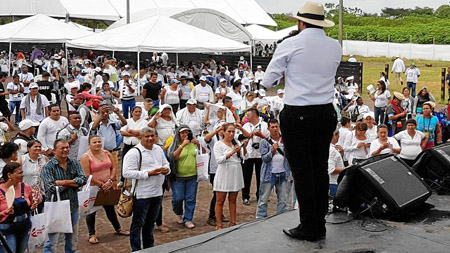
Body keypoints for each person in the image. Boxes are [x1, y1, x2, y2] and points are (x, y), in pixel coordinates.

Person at [262, 2, 341, 241]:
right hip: (326, 112)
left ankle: (309, 226)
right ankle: (319, 222)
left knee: (303, 171)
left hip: (298, 113)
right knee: (319, 169)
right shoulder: (335, 45)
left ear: (301, 22)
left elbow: (267, 81)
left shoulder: (291, 43)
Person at [123, 127, 170, 251]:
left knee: (150, 223)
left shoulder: (158, 149)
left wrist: (166, 170)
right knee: (138, 223)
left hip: (157, 192)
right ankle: (136, 249)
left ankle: (149, 248)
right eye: (147, 136)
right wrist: (148, 173)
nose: (150, 138)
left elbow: (166, 163)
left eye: (152, 136)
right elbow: (126, 173)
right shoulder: (134, 152)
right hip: (142, 194)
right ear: (141, 137)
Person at [80, 135, 128, 245]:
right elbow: (87, 175)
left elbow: (114, 167)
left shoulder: (106, 153)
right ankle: (91, 234)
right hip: (93, 187)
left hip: (108, 184)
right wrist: (101, 184)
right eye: (94, 142)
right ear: (89, 144)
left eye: (99, 142)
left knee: (110, 208)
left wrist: (110, 180)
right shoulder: (86, 157)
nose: (97, 144)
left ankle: (118, 228)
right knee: (91, 211)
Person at [41, 139, 87, 253]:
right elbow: (51, 187)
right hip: (55, 207)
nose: (66, 150)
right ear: (55, 150)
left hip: (73, 205)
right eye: (62, 148)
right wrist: (73, 183)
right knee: (52, 241)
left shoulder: (74, 162)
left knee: (72, 239)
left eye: (67, 147)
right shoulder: (48, 167)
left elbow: (83, 180)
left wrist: (63, 182)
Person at [167, 125, 201, 229]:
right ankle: (178, 212)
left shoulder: (193, 144)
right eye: (183, 133)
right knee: (178, 198)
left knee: (190, 198)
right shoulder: (175, 144)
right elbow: (173, 157)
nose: (185, 135)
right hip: (178, 176)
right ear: (178, 134)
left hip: (192, 175)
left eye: (187, 132)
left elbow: (202, 154)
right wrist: (182, 146)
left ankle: (188, 218)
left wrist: (198, 145)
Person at [213, 123, 245, 229]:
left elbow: (245, 157)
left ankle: (233, 222)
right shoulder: (218, 144)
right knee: (220, 200)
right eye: (229, 131)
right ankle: (218, 223)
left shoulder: (236, 143)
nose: (231, 134)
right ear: (224, 132)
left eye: (233, 132)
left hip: (235, 171)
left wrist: (242, 149)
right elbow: (219, 160)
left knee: (233, 199)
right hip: (224, 172)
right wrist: (231, 153)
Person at [0, 162, 37, 253]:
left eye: (22, 172)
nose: (22, 175)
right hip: (7, 229)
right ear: (9, 175)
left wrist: (33, 205)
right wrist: (5, 212)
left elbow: (31, 203)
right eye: (19, 173)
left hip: (24, 227)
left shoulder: (25, 187)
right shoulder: (1, 191)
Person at [256, 119, 290, 219]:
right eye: (273, 127)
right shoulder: (264, 142)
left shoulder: (285, 140)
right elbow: (265, 159)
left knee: (283, 199)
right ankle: (260, 219)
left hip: (283, 173)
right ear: (268, 129)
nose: (275, 129)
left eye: (276, 126)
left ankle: (280, 218)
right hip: (268, 174)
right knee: (264, 199)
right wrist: (272, 151)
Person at [90, 103, 127, 180]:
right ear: (98, 113)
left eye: (107, 112)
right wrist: (100, 116)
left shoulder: (113, 123)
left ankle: (114, 190)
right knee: (102, 174)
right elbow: (93, 128)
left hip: (112, 152)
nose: (105, 114)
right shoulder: (95, 124)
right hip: (100, 153)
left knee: (114, 175)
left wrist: (118, 113)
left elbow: (124, 123)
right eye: (103, 112)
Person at [241, 108, 268, 205]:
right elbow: (241, 138)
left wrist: (260, 135)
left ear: (254, 116)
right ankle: (245, 196)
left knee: (261, 177)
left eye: (248, 115)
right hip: (248, 154)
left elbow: (268, 139)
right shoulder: (245, 126)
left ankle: (260, 195)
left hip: (260, 155)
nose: (246, 117)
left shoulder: (265, 125)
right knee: (246, 177)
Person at [20, 140, 48, 212]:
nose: (38, 148)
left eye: (40, 147)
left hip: (42, 192)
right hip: (27, 193)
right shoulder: (22, 159)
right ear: (28, 149)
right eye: (36, 146)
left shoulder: (44, 158)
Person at [328, 128, 344, 197]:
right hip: (333, 183)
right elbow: (331, 169)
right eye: (338, 135)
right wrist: (347, 169)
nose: (339, 137)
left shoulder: (332, 149)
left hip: (334, 183)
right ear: (335, 135)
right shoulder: (332, 150)